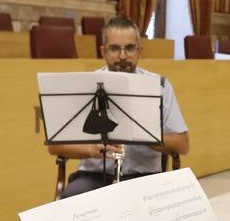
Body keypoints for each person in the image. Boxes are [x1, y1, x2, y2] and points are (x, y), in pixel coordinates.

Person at [47, 17, 190, 197]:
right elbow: (55, 147)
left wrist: (143, 134)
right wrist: (92, 150)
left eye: (130, 48)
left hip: (144, 177)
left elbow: (183, 145)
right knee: (71, 200)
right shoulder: (85, 85)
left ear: (139, 51)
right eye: (114, 48)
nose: (122, 56)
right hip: (94, 176)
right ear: (103, 52)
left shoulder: (159, 86)